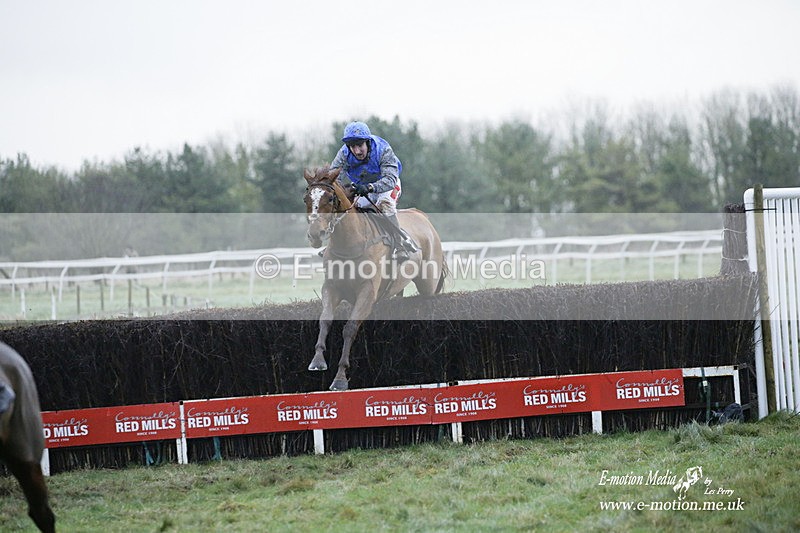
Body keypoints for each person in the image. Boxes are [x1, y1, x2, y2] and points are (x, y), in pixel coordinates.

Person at [330, 121, 419, 261]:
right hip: (362, 185)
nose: (357, 151)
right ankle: (336, 246)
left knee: (384, 204)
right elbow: (333, 178)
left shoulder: (383, 149)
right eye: (353, 146)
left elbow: (390, 179)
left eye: (360, 145)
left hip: (388, 184)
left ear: (368, 142)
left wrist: (370, 187)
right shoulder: (343, 154)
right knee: (348, 208)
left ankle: (399, 245)